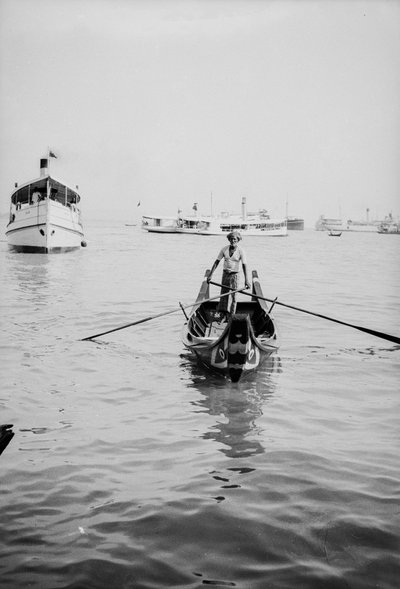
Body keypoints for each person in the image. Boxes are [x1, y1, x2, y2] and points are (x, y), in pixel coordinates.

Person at [207, 230, 250, 320]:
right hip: (225, 274)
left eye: (234, 239)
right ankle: (223, 314)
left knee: (233, 295)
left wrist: (247, 280)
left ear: (238, 240)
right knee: (224, 294)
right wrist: (210, 275)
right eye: (231, 239)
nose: (232, 241)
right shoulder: (224, 249)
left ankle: (231, 315)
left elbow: (244, 265)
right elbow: (217, 262)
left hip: (235, 275)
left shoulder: (241, 251)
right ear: (229, 240)